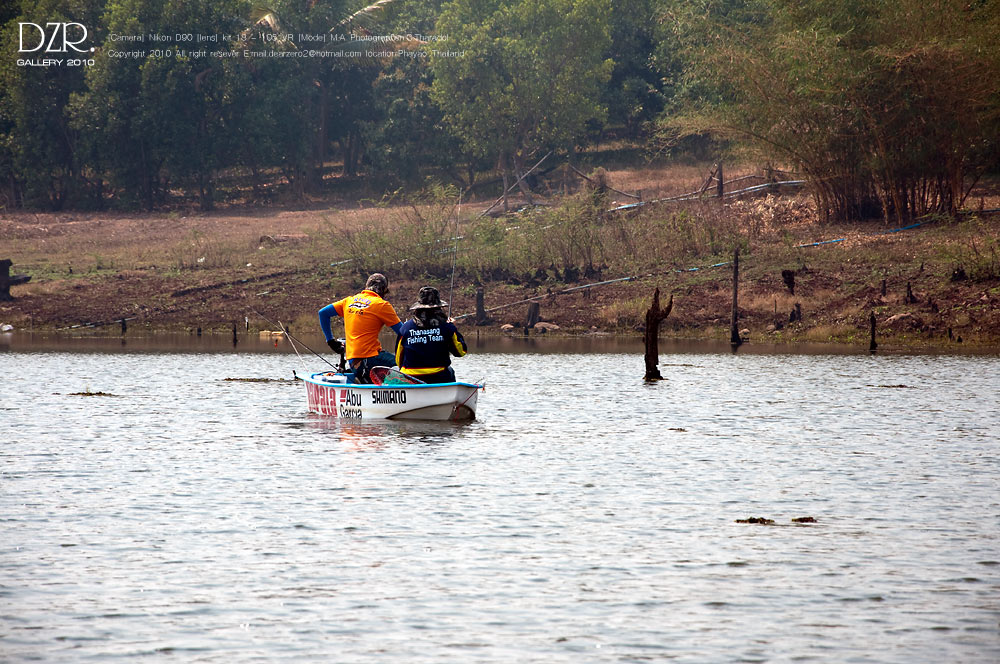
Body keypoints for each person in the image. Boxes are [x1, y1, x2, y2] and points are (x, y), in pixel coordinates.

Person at [318, 273, 402, 383]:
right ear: (384, 290)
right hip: (370, 359)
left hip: (353, 361)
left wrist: (330, 341)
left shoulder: (349, 300)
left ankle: (363, 378)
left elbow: (323, 313)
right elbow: (403, 332)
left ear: (366, 286)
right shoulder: (381, 305)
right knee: (403, 366)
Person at [395, 286, 467, 384]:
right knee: (450, 370)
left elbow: (398, 359)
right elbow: (461, 351)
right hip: (438, 377)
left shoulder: (405, 328)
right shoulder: (447, 327)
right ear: (438, 308)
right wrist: (454, 328)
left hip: (410, 379)